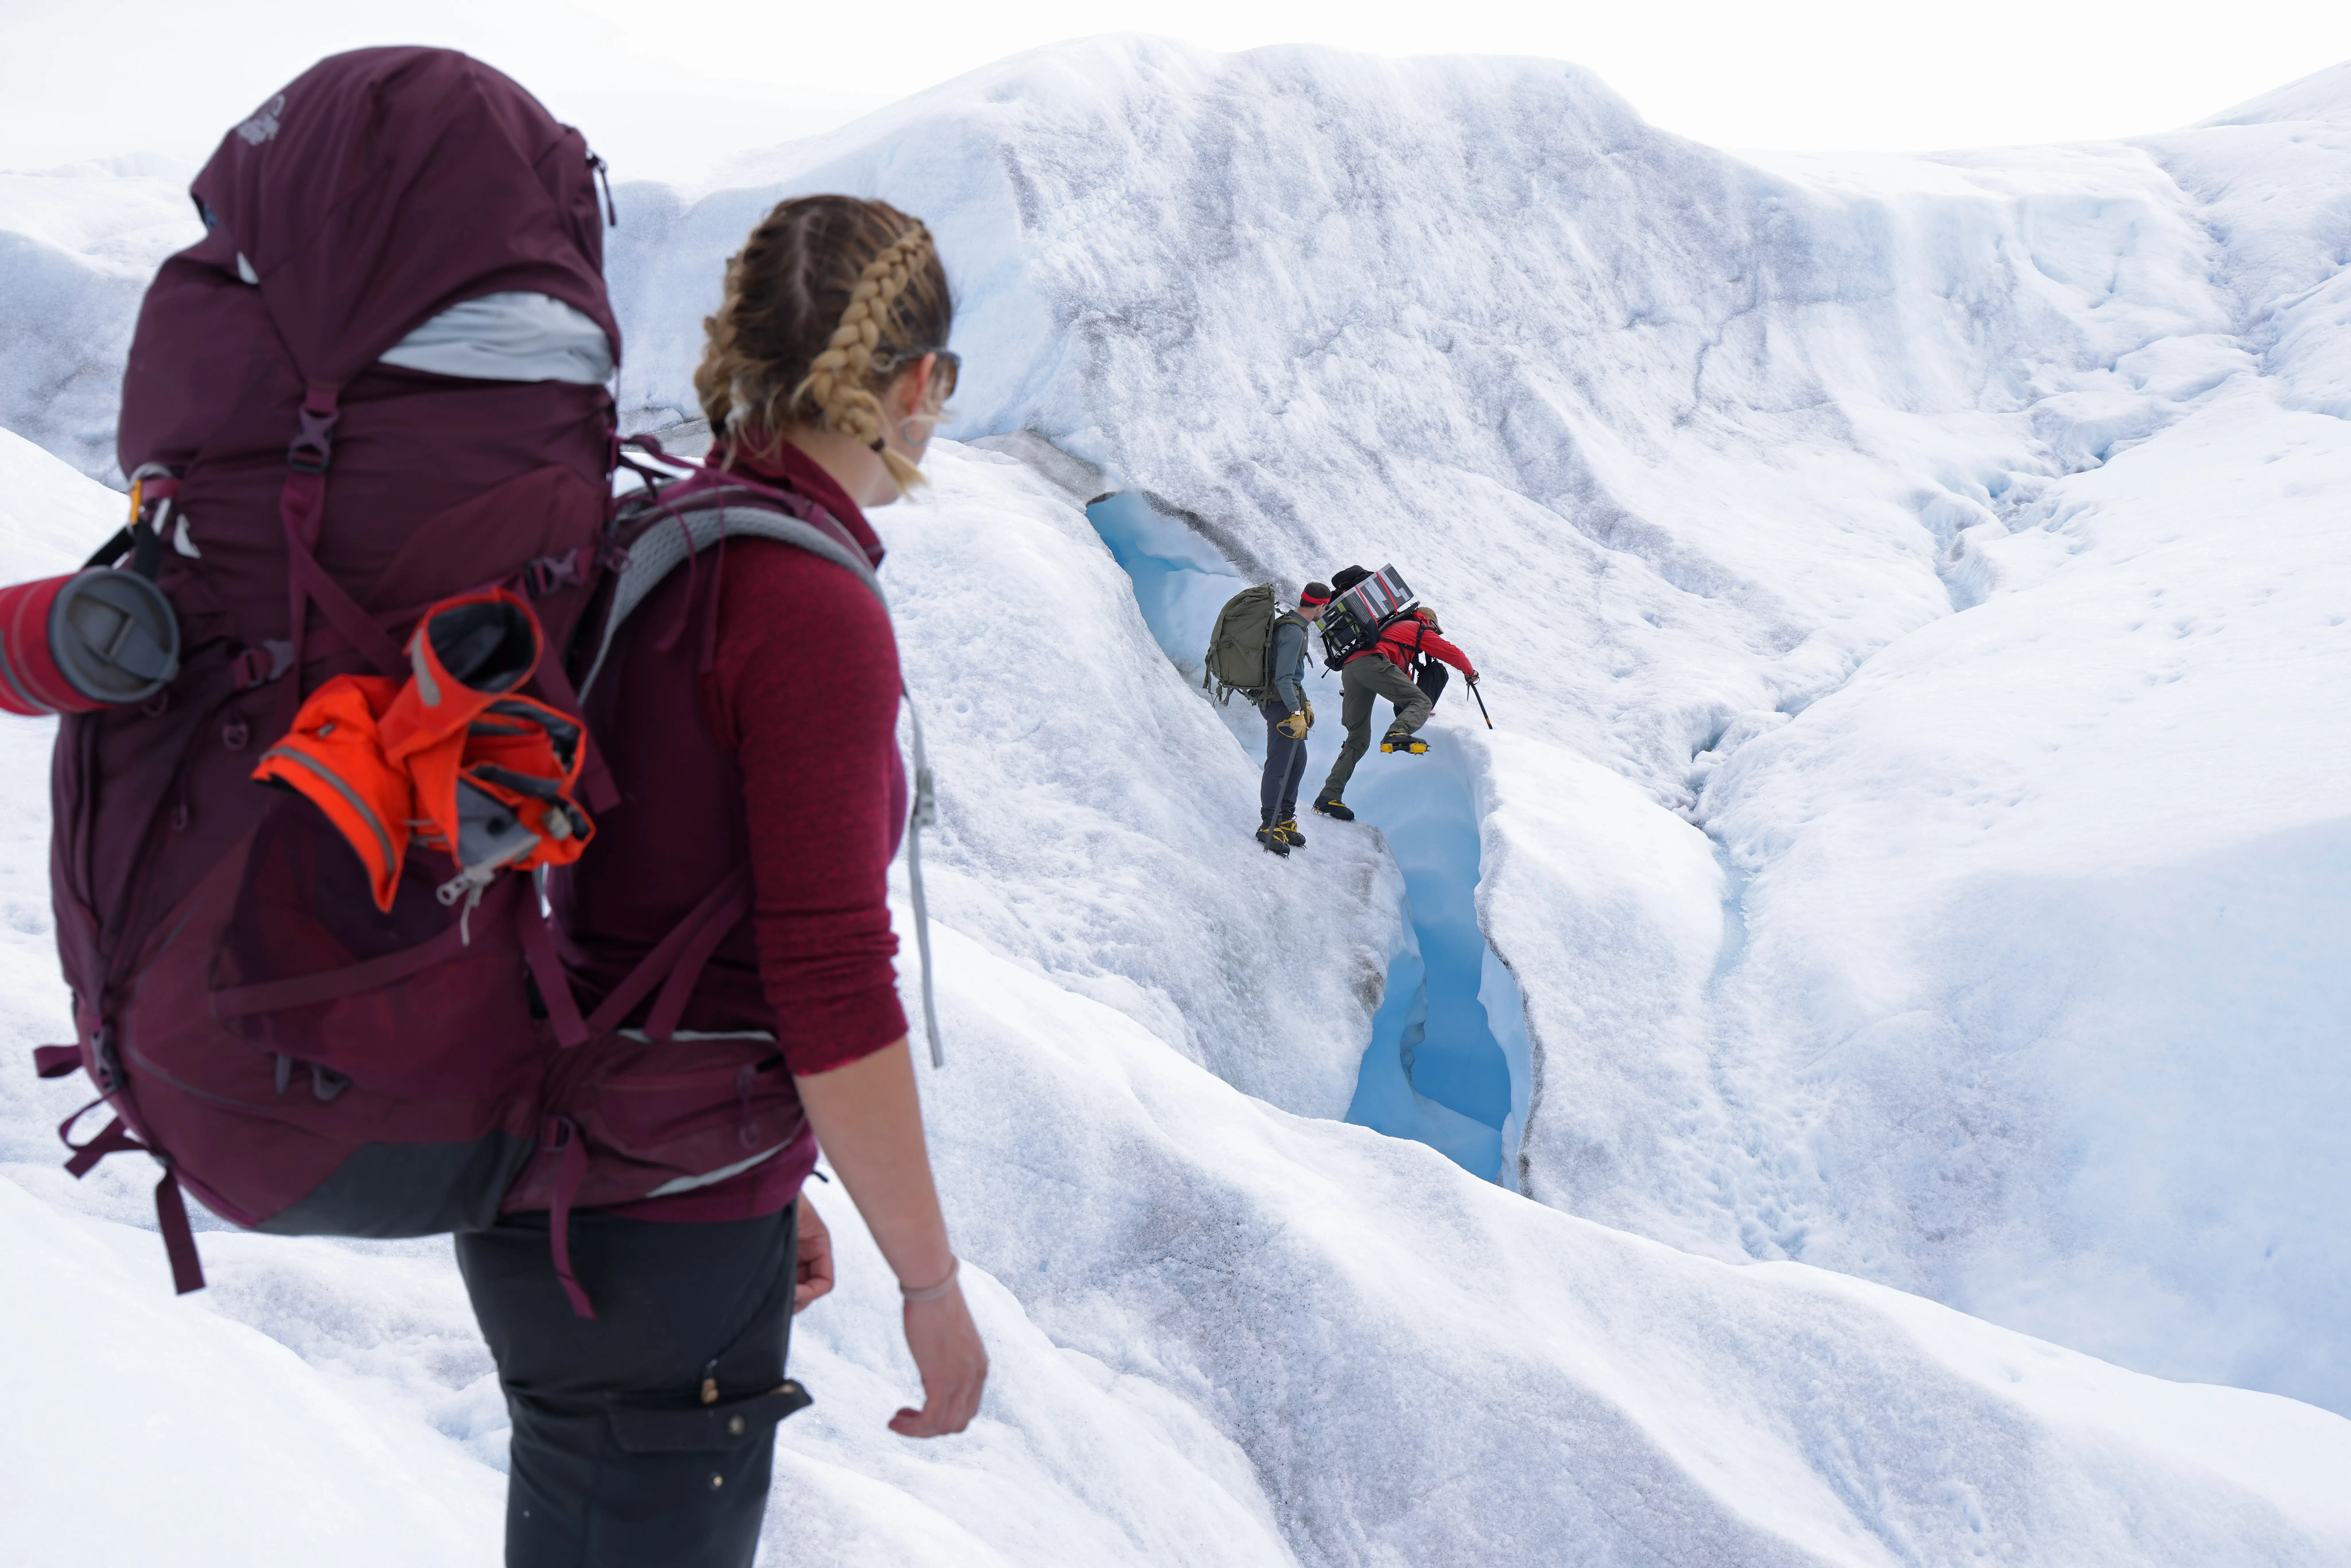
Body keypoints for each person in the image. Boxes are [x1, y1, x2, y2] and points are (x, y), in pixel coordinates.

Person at [455, 196, 987, 1568]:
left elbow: (647, 903)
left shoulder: (665, 539)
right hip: (653, 1239)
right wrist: (930, 1286)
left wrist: (761, 1168)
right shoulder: (806, 606)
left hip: (590, 1179)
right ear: (915, 381)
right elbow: (826, 977)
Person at [1312, 595, 1479, 822]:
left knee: (1358, 739)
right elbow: (1451, 652)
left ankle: (1328, 797)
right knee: (1423, 702)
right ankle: (1396, 735)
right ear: (1429, 622)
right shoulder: (1416, 628)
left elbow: (1399, 682)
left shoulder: (1393, 634)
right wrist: (1470, 673)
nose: (1434, 634)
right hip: (1372, 664)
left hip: (1352, 671)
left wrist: (1413, 706)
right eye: (1435, 630)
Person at [1255, 583, 1330, 856]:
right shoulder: (1294, 631)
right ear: (1321, 606)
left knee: (1297, 762)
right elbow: (1284, 678)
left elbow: (1292, 676)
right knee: (1280, 763)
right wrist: (1296, 712)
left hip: (1288, 702)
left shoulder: (1295, 626)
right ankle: (1269, 825)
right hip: (1281, 705)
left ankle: (1284, 820)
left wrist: (1304, 701)